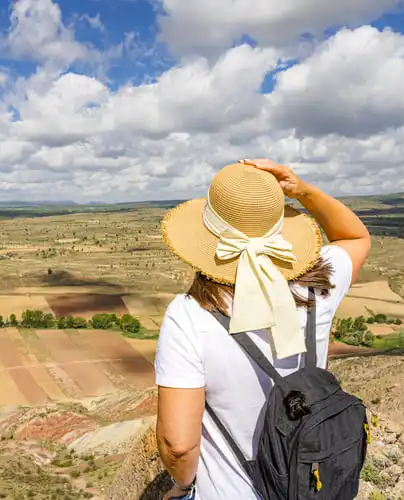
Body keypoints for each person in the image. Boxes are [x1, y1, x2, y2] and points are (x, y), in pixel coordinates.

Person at [155, 158, 371, 499]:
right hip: (311, 484)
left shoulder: (189, 315)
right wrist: (303, 190)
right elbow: (355, 237)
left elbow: (178, 445)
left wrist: (182, 486)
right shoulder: (322, 282)